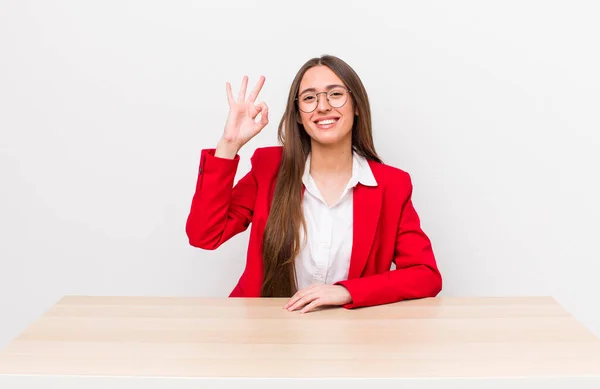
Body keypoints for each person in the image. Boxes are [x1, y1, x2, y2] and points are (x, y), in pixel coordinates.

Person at [186, 55, 442, 313]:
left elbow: (425, 275)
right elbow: (204, 235)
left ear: (356, 106)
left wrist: (346, 291)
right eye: (309, 98)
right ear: (298, 115)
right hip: (265, 332)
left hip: (352, 337)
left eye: (335, 94)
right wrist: (229, 144)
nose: (322, 107)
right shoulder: (269, 168)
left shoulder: (391, 185)